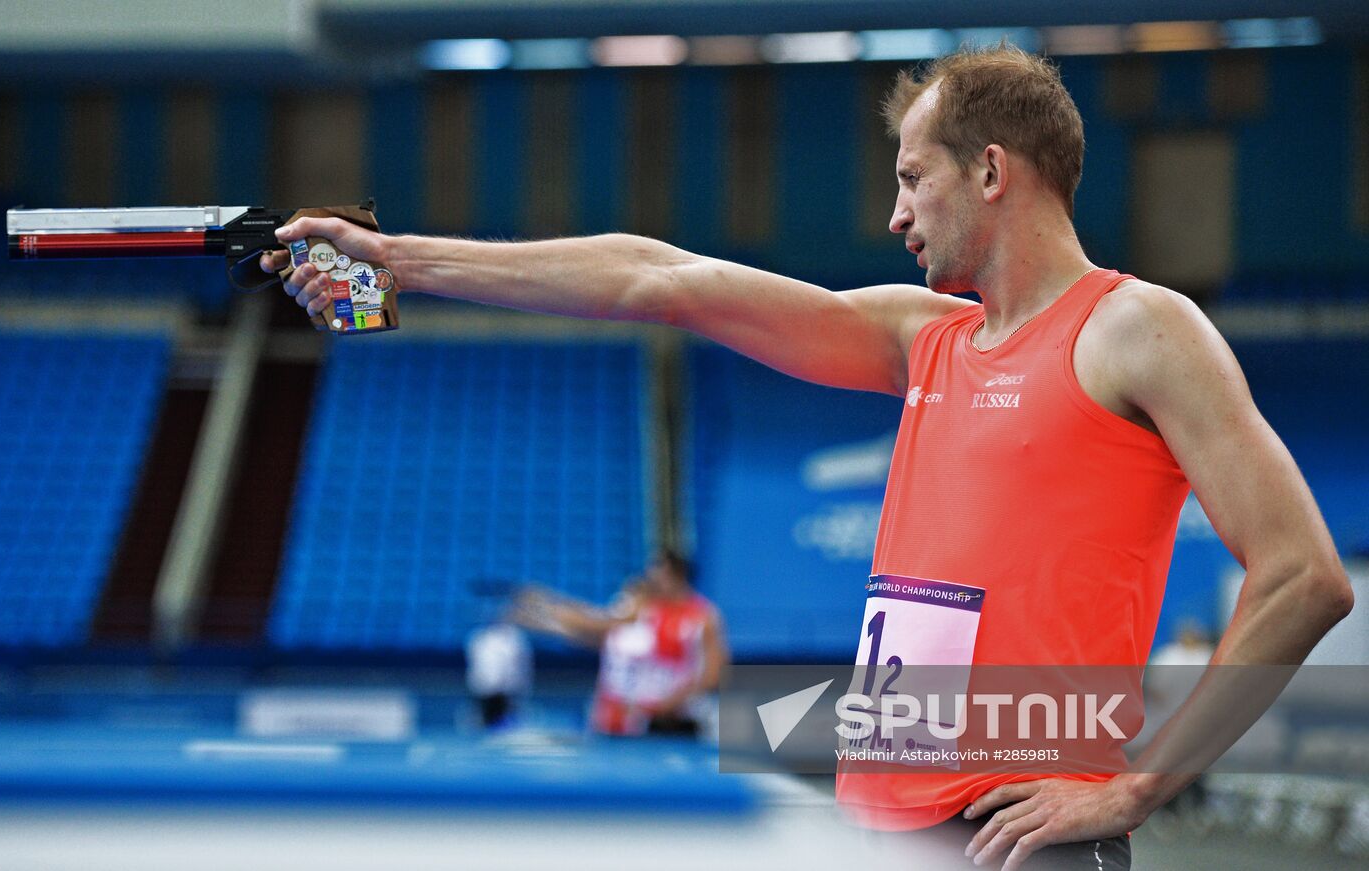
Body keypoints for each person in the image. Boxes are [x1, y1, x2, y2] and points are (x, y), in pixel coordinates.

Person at [262, 46, 1353, 870]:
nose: (890, 215)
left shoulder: (1135, 330)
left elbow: (1302, 576)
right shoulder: (916, 336)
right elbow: (658, 279)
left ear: (987, 171)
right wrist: (395, 260)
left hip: (1015, 835)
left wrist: (1135, 785)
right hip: (879, 824)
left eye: (908, 178)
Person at [515, 551, 727, 737]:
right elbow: (601, 626)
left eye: (658, 573)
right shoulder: (647, 609)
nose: (652, 579)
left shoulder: (703, 616)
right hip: (632, 712)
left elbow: (712, 673)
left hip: (677, 715)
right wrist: (548, 610)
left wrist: (672, 703)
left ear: (676, 576)